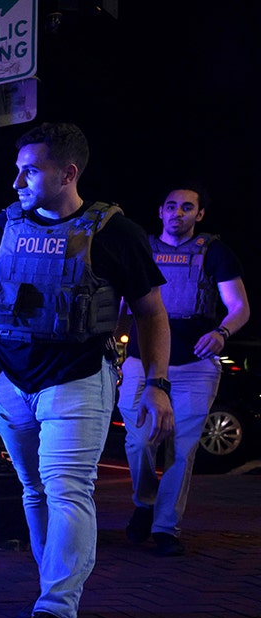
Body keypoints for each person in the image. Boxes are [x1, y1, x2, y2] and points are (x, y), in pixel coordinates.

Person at [0, 122, 174, 618]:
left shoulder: (115, 233)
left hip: (78, 378)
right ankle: (51, 597)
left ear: (68, 173)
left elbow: (151, 312)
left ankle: (54, 612)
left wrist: (157, 384)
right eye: (17, 169)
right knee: (35, 489)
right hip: (9, 382)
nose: (16, 180)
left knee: (67, 488)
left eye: (30, 170)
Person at [117, 184, 249, 556]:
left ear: (199, 214)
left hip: (194, 366)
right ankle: (145, 503)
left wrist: (222, 333)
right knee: (139, 441)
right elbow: (121, 302)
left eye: (187, 207)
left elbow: (239, 307)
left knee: (182, 448)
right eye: (171, 206)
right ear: (160, 211)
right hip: (142, 362)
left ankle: (165, 527)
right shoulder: (142, 249)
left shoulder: (214, 252)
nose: (178, 213)